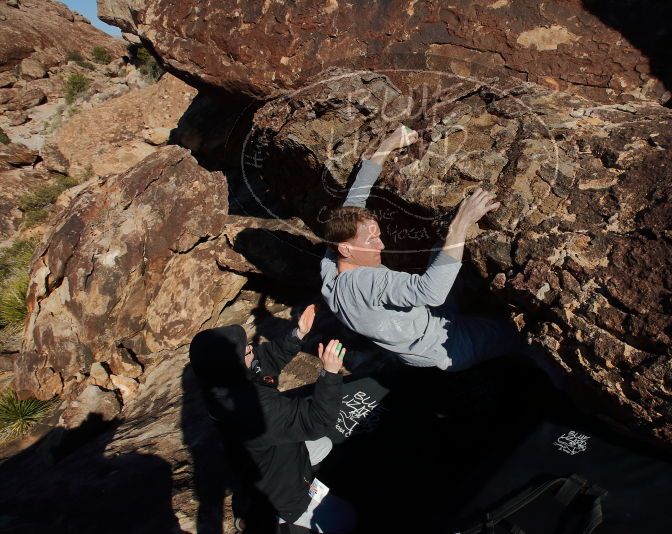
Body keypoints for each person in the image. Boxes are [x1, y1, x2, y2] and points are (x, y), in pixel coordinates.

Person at [320, 126, 526, 372]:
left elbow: (354, 201)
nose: (382, 245)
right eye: (371, 241)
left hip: (425, 321)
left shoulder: (330, 265)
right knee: (518, 334)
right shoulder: (368, 282)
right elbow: (430, 292)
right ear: (346, 249)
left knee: (440, 250)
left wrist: (386, 146)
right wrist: (461, 222)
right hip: (445, 344)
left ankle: (474, 295)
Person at [189, 304, 357, 533]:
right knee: (348, 518)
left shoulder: (218, 382)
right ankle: (271, 520)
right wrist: (329, 373)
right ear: (235, 366)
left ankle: (257, 510)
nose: (252, 348)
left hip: (268, 457)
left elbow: (265, 359)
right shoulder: (256, 408)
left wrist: (298, 333)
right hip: (286, 492)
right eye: (247, 350)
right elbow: (319, 421)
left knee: (324, 444)